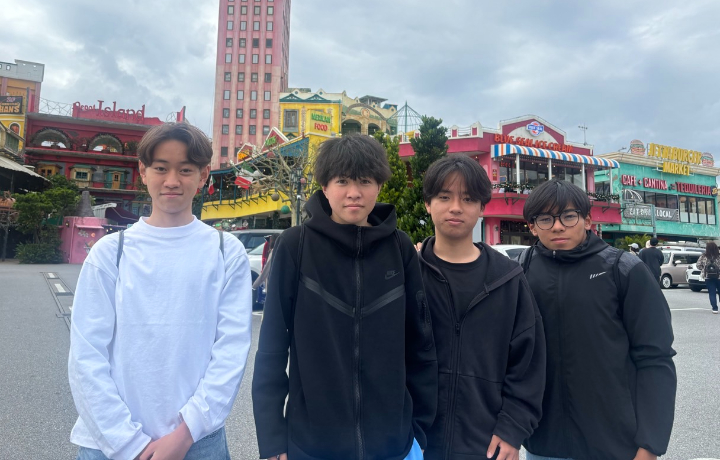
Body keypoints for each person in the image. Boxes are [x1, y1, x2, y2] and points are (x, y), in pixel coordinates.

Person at [68, 123, 253, 460]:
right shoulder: (111, 252)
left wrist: (185, 433)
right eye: (161, 168)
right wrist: (128, 443)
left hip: (198, 443)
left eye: (185, 170)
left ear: (203, 175)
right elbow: (86, 354)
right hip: (109, 443)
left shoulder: (226, 251)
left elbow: (231, 350)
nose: (172, 181)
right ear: (143, 171)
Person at [252, 135, 437, 460]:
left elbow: (420, 345)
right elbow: (272, 347)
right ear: (324, 186)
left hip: (393, 446)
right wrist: (273, 441)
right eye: (342, 181)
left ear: (379, 185)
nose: (354, 192)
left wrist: (418, 431)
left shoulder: (400, 248)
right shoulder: (295, 246)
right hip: (312, 446)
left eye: (364, 181)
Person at [518, 179, 677, 460]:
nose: (558, 226)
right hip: (543, 444)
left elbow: (655, 357)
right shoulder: (521, 270)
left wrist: (651, 444)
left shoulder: (624, 269)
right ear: (532, 226)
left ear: (588, 220)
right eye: (545, 219)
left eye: (568, 216)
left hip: (613, 444)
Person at [417, 156, 545, 460]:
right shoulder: (408, 273)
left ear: (482, 207)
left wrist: (513, 428)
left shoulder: (508, 278)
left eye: (468, 199)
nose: (456, 208)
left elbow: (528, 363)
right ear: (428, 204)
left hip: (486, 444)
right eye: (444, 197)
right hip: (413, 443)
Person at [696, 241, 720, 314]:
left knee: (712, 293)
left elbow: (698, 265)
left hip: (708, 277)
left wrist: (704, 269)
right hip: (719, 277)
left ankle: (715, 308)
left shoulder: (704, 256)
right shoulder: (718, 256)